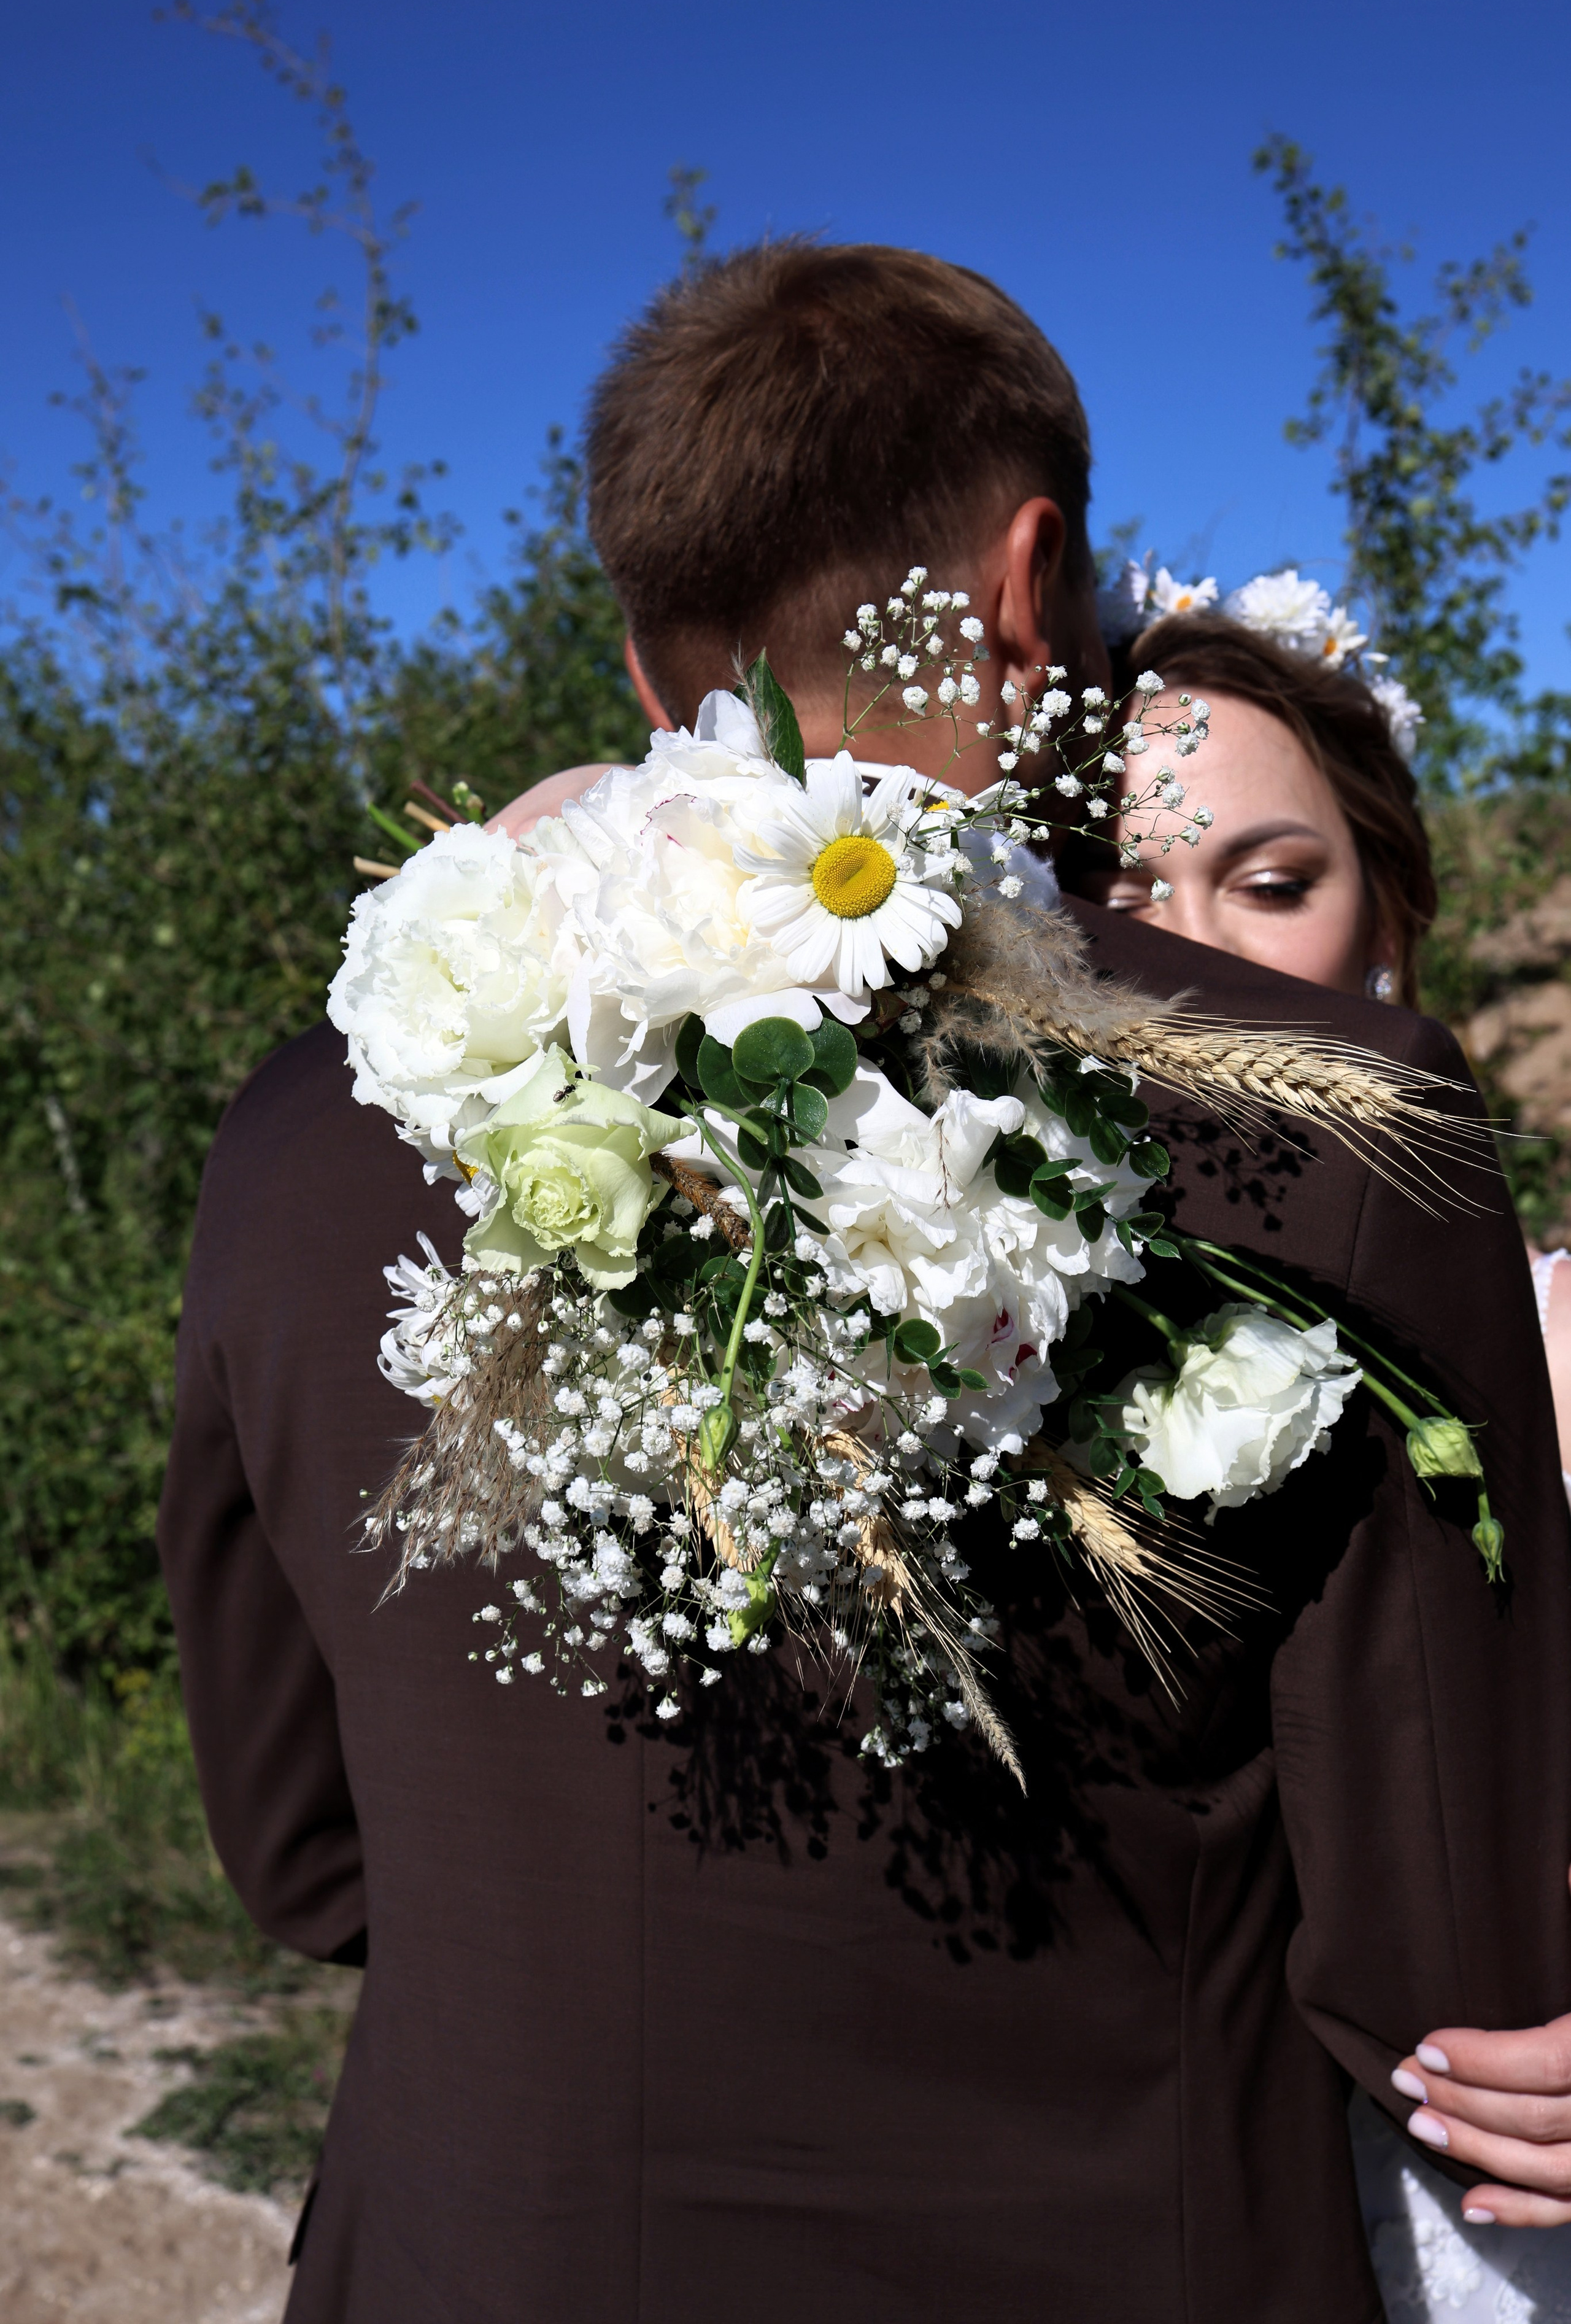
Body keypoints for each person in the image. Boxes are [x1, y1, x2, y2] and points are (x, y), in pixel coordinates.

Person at [156, 241, 1571, 2323]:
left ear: (652, 675)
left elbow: (300, 1857)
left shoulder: (300, 1137)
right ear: (1032, 580)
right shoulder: (1337, 1120)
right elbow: (1459, 1984)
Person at [1074, 606, 1571, 2310]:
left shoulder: (1564, 1338)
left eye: (1270, 885)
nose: (1190, 961)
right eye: (1128, 900)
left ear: (1389, 923)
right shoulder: (972, 1357)